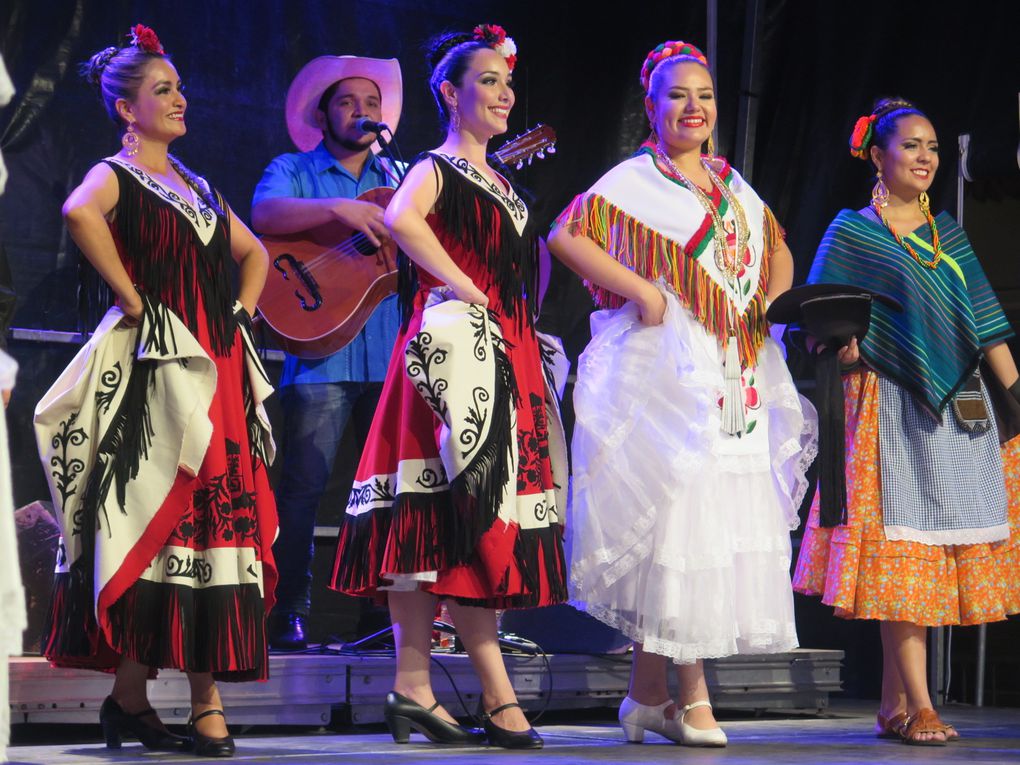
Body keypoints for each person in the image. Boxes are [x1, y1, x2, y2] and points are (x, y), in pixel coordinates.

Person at [548, 40, 816, 747]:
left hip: (734, 366)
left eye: (704, 95)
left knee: (706, 523)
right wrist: (642, 290)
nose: (693, 107)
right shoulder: (637, 180)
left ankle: (645, 696)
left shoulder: (732, 186)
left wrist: (770, 309)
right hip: (670, 368)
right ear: (651, 106)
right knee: (682, 514)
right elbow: (566, 235)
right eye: (677, 95)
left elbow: (777, 246)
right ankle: (691, 696)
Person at [35, 25, 276, 757]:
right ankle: (194, 705)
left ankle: (136, 701)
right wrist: (134, 299)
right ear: (125, 108)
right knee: (166, 521)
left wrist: (237, 314)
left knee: (207, 526)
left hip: (216, 363)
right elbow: (79, 212)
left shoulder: (197, 185)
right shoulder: (118, 173)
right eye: (162, 90)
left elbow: (254, 251)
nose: (180, 99)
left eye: (179, 87)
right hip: (162, 368)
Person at [330, 24, 567, 749]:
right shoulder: (435, 167)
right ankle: (489, 692)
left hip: (501, 352)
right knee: (448, 515)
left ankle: (414, 685)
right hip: (452, 356)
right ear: (450, 92)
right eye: (488, 81)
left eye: (507, 81)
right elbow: (402, 220)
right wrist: (467, 289)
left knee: (441, 521)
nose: (504, 93)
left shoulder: (502, 181)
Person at [792, 97, 1020, 745]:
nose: (926, 158)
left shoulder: (946, 232)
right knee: (903, 549)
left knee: (931, 550)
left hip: (957, 412)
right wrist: (840, 341)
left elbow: (985, 322)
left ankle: (894, 704)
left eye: (934, 148)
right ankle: (920, 703)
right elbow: (816, 319)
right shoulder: (852, 232)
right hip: (886, 405)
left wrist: (1018, 396)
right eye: (912, 146)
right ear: (878, 155)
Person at [251, 55, 403, 651]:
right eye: (347, 102)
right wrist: (342, 208)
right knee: (304, 487)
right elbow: (264, 214)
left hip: (391, 355)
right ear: (321, 114)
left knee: (388, 491)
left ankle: (381, 616)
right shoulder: (293, 168)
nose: (362, 112)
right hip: (320, 354)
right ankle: (287, 610)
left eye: (371, 103)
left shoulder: (403, 175)